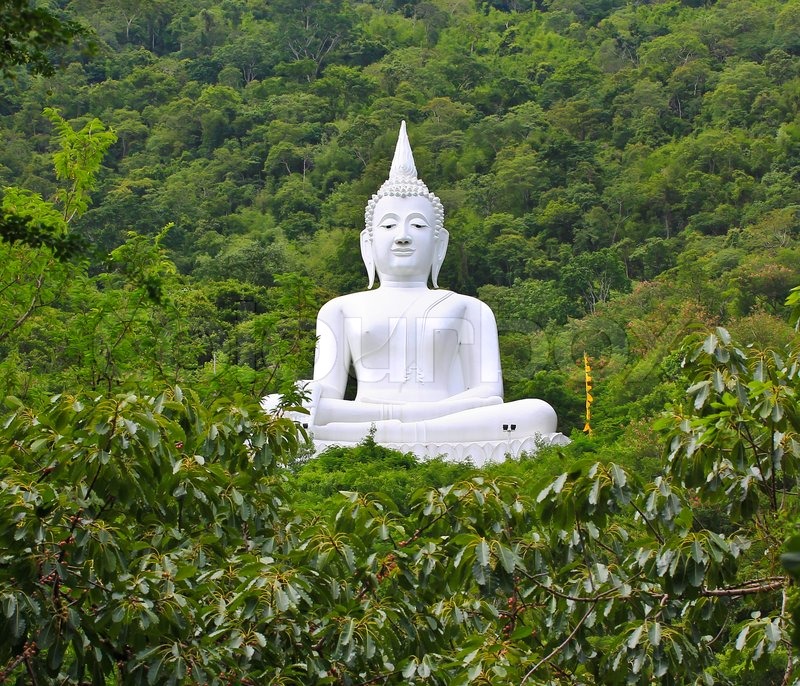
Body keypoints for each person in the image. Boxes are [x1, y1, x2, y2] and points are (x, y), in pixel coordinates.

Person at [287, 121, 561, 452]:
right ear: (367, 243)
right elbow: (325, 395)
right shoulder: (340, 309)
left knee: (539, 413)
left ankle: (383, 433)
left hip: (434, 420)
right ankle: (396, 431)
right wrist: (307, 398)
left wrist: (415, 415)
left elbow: (490, 395)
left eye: (417, 225)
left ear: (439, 242)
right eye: (388, 225)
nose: (402, 236)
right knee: (281, 406)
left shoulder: (469, 309)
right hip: (415, 423)